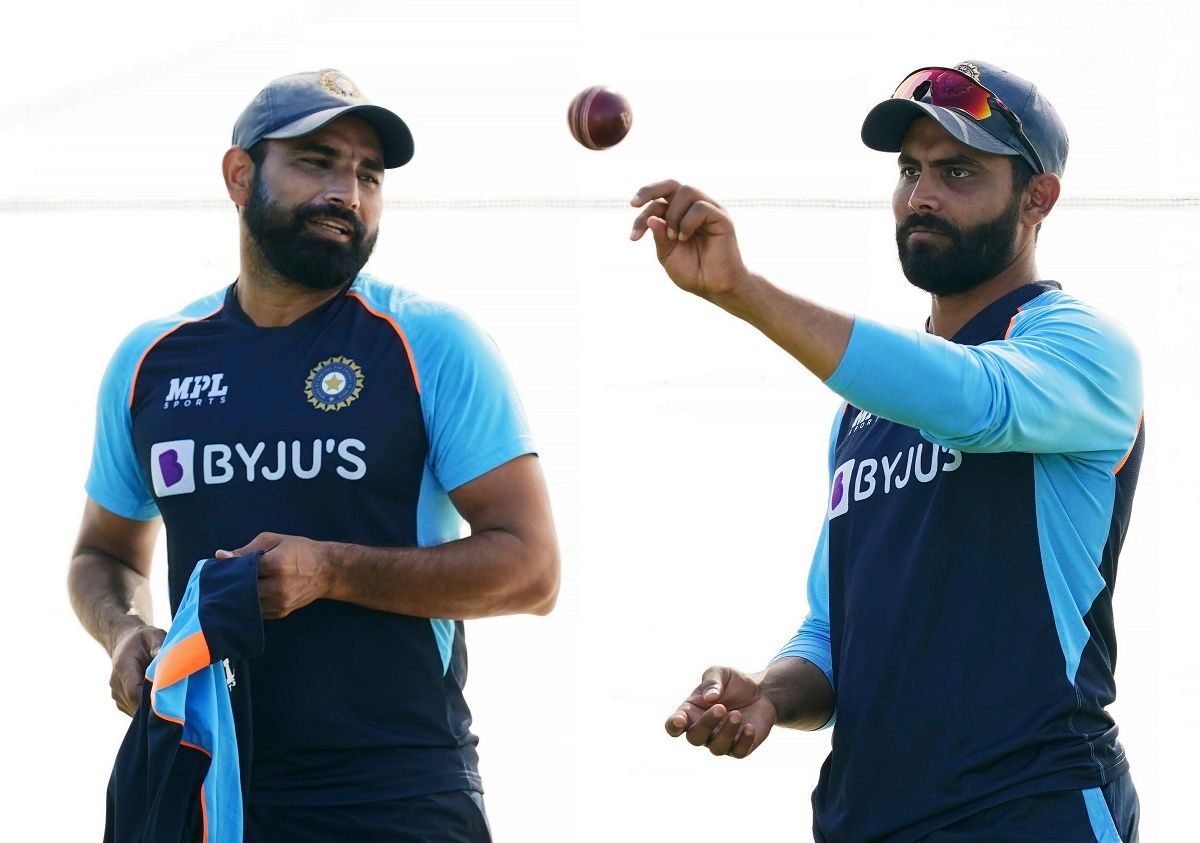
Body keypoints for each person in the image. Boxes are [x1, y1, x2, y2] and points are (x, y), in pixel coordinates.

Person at [630, 61, 1142, 842]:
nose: (921, 195)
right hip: (865, 820)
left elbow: (978, 402)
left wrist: (746, 291)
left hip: (1031, 809)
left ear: (1037, 199)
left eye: (958, 170)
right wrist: (768, 691)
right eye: (911, 170)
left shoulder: (1078, 345)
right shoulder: (865, 408)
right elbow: (832, 634)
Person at [69, 68, 560, 842]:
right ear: (240, 175)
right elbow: (103, 552)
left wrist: (332, 569)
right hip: (208, 784)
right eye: (317, 161)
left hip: (397, 791)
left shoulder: (429, 342)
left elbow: (533, 571)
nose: (348, 192)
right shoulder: (150, 360)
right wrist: (126, 630)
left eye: (368, 174)